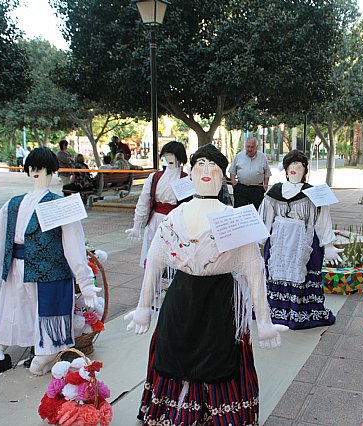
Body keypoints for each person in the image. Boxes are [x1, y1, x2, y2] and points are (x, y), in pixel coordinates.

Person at [125, 144, 286, 425]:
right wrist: (143, 307)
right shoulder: (175, 216)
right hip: (182, 298)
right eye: (200, 164)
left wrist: (264, 320)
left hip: (221, 300)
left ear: (224, 176)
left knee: (220, 357)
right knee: (175, 352)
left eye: (214, 166)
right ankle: (176, 412)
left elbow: (253, 268)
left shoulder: (236, 217)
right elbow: (155, 259)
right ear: (190, 174)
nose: (206, 170)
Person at [0, 148, 99, 381]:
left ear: (51, 171)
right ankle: (2, 347)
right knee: (14, 306)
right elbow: (1, 238)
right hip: (17, 267)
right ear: (28, 170)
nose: (37, 172)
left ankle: (47, 350)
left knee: (42, 309)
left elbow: (74, 245)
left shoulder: (61, 204)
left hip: (48, 269)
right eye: (33, 167)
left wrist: (85, 282)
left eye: (42, 168)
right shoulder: (12, 203)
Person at [259, 150, 342, 330]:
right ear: (286, 169)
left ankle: (299, 311)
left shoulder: (314, 193)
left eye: (300, 165)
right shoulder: (274, 192)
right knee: (275, 271)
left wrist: (328, 244)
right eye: (291, 164)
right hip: (278, 240)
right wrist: (258, 242)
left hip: (303, 238)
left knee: (302, 274)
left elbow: (322, 220)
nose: (295, 168)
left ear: (305, 170)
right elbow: (265, 219)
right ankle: (277, 310)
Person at [125, 141, 188, 268]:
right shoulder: (154, 177)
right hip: (156, 221)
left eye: (172, 155)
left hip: (176, 222)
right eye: (166, 154)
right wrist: (137, 225)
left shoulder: (187, 179)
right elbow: (143, 201)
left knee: (174, 257)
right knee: (153, 257)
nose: (169, 158)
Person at [229, 137, 271, 210]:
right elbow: (232, 172)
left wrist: (265, 187)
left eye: (252, 147)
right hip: (241, 188)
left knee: (257, 211)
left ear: (256, 147)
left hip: (257, 189)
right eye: (248, 146)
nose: (249, 149)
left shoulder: (262, 157)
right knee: (239, 211)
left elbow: (267, 174)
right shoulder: (239, 156)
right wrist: (234, 185)